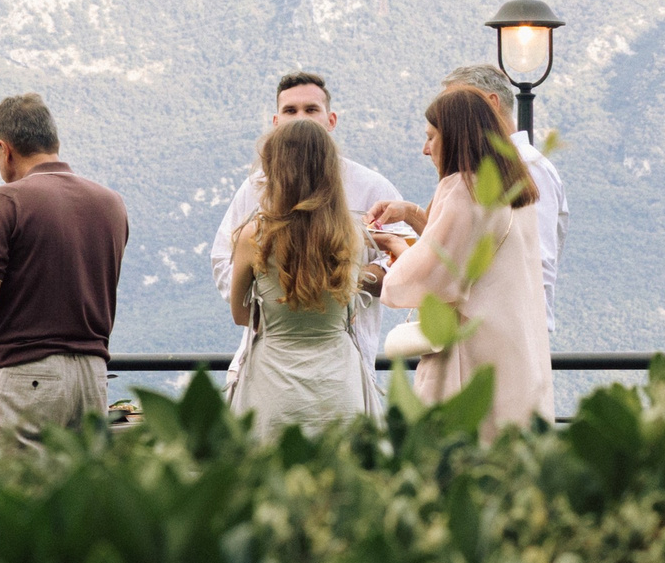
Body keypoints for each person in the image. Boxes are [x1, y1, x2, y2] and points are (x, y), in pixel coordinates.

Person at [0, 94, 128, 452]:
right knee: (78, 485)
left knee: (13, 484)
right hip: (93, 375)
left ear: (5, 149)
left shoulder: (5, 200)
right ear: (53, 141)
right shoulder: (111, 203)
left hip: (26, 375)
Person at [373, 87, 554, 435]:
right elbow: (465, 251)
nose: (425, 148)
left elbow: (432, 275)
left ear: (455, 135)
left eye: (431, 137)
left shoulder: (462, 188)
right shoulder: (515, 190)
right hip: (515, 351)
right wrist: (411, 214)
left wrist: (396, 247)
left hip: (469, 358)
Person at [210, 71, 398, 406]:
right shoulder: (351, 229)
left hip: (292, 361)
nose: (301, 118)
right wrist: (337, 285)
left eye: (311, 109)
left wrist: (277, 293)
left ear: (330, 119)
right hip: (334, 368)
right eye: (291, 110)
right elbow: (221, 259)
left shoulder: (372, 187)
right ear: (276, 122)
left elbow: (397, 267)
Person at [224, 122, 382, 440]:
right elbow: (351, 308)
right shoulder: (351, 235)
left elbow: (241, 315)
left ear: (275, 171)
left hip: (273, 388)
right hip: (340, 386)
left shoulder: (253, 236)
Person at [441, 63, 566, 340]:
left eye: (459, 108)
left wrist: (529, 331)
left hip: (513, 329)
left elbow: (538, 255)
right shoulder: (493, 168)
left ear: (491, 103)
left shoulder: (527, 166)